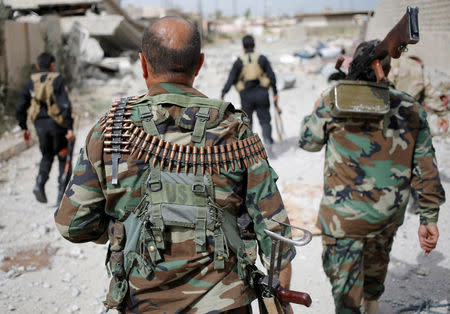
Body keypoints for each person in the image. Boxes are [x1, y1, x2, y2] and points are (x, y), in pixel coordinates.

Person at [55, 17, 295, 313]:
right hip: (226, 303)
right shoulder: (234, 129)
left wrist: (120, 226)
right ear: (200, 64)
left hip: (142, 301)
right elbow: (276, 233)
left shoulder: (111, 128)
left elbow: (73, 225)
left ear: (143, 64)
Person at [298, 42, 445, 314]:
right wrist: (429, 218)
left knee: (346, 298)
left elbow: (308, 141)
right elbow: (426, 169)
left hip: (343, 221)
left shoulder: (334, 100)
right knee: (376, 269)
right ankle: (373, 305)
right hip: (387, 216)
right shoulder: (410, 107)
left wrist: (319, 104)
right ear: (386, 69)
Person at [15, 52, 75, 205]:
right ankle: (62, 195)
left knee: (47, 156)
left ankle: (39, 184)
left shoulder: (30, 83)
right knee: (63, 157)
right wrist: (69, 128)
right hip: (58, 127)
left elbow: (20, 108)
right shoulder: (58, 80)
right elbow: (65, 105)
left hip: (40, 127)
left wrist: (23, 127)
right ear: (52, 64)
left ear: (37, 65)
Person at [221, 35, 279, 152]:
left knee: (247, 122)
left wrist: (223, 93)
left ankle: (250, 149)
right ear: (254, 45)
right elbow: (272, 76)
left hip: (246, 95)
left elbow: (231, 79)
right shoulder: (262, 58)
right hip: (262, 94)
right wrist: (275, 92)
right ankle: (268, 144)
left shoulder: (239, 61)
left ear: (243, 46)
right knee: (265, 121)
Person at [388, 56, 449, 135]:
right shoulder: (417, 67)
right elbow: (431, 96)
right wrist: (444, 115)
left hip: (388, 116)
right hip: (407, 118)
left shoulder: (389, 62)